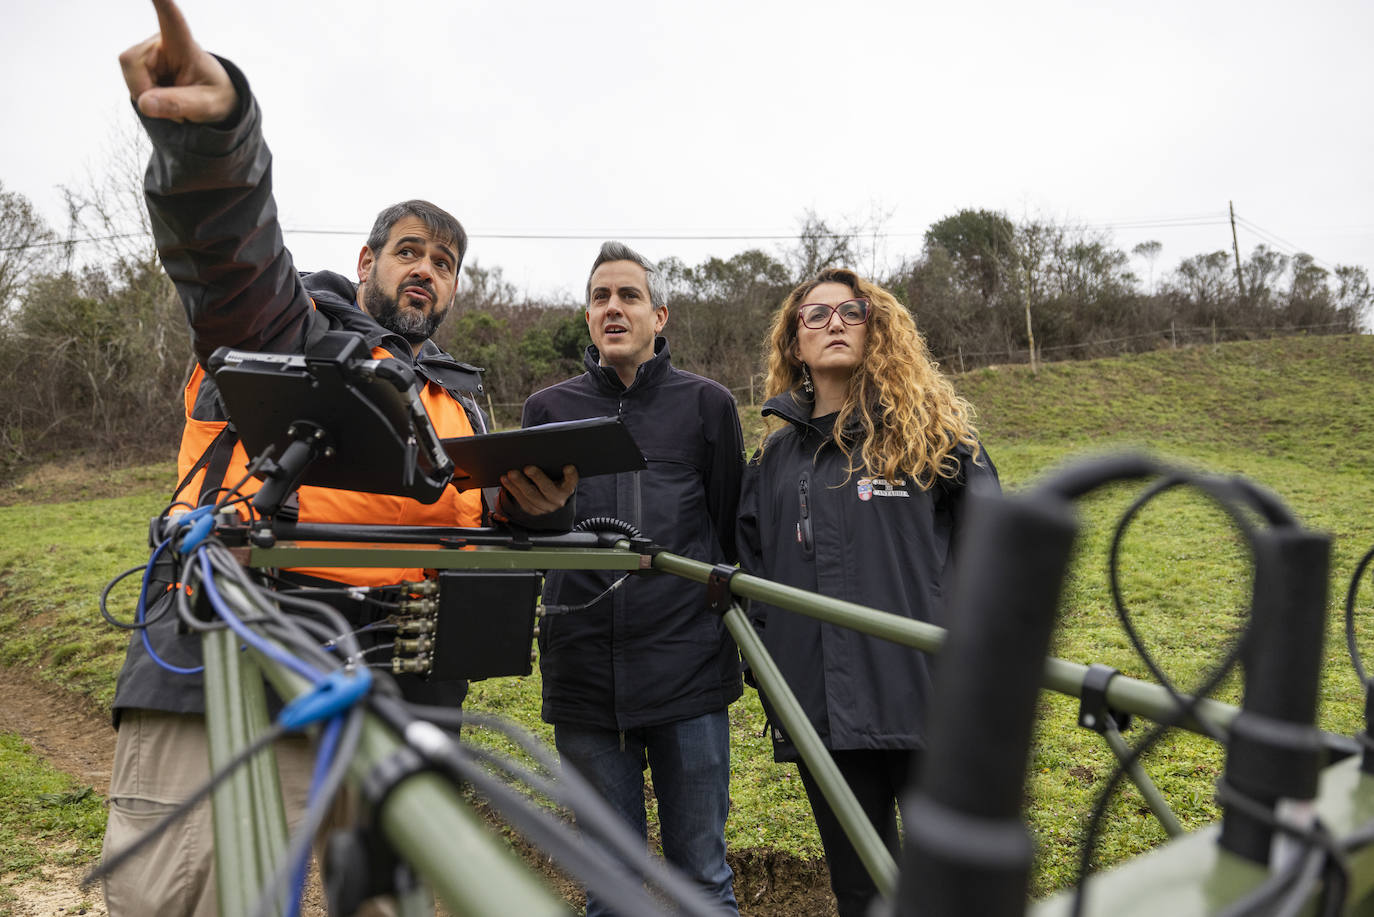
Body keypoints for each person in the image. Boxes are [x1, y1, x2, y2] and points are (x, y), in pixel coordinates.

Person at [103, 3, 576, 914]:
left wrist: (533, 510)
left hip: (404, 701)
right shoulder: (287, 330)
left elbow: (458, 529)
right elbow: (233, 268)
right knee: (197, 899)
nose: (426, 270)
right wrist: (219, 146)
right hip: (232, 673)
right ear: (366, 260)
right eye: (409, 251)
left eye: (445, 260)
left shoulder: (462, 397)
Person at [736, 267, 999, 917]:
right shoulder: (771, 463)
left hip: (930, 703)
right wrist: (774, 677)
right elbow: (753, 584)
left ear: (874, 326)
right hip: (823, 716)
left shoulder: (939, 438)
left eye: (850, 311)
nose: (833, 324)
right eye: (815, 315)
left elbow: (990, 557)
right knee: (861, 891)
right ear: (795, 343)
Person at [520, 241, 745, 915]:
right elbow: (530, 536)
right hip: (584, 678)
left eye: (629, 296)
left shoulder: (708, 406)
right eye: (600, 297)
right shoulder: (547, 410)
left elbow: (731, 532)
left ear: (660, 315)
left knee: (701, 878)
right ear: (587, 317)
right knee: (610, 889)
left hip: (689, 675)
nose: (613, 307)